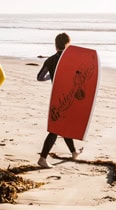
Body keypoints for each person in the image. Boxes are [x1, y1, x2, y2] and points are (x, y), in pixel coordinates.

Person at [36, 32, 81, 168]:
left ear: (55, 45)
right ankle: (42, 158)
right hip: (68, 98)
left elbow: (39, 77)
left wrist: (51, 77)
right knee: (56, 129)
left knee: (63, 125)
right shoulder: (72, 60)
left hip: (56, 97)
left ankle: (74, 152)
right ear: (68, 44)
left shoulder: (50, 60)